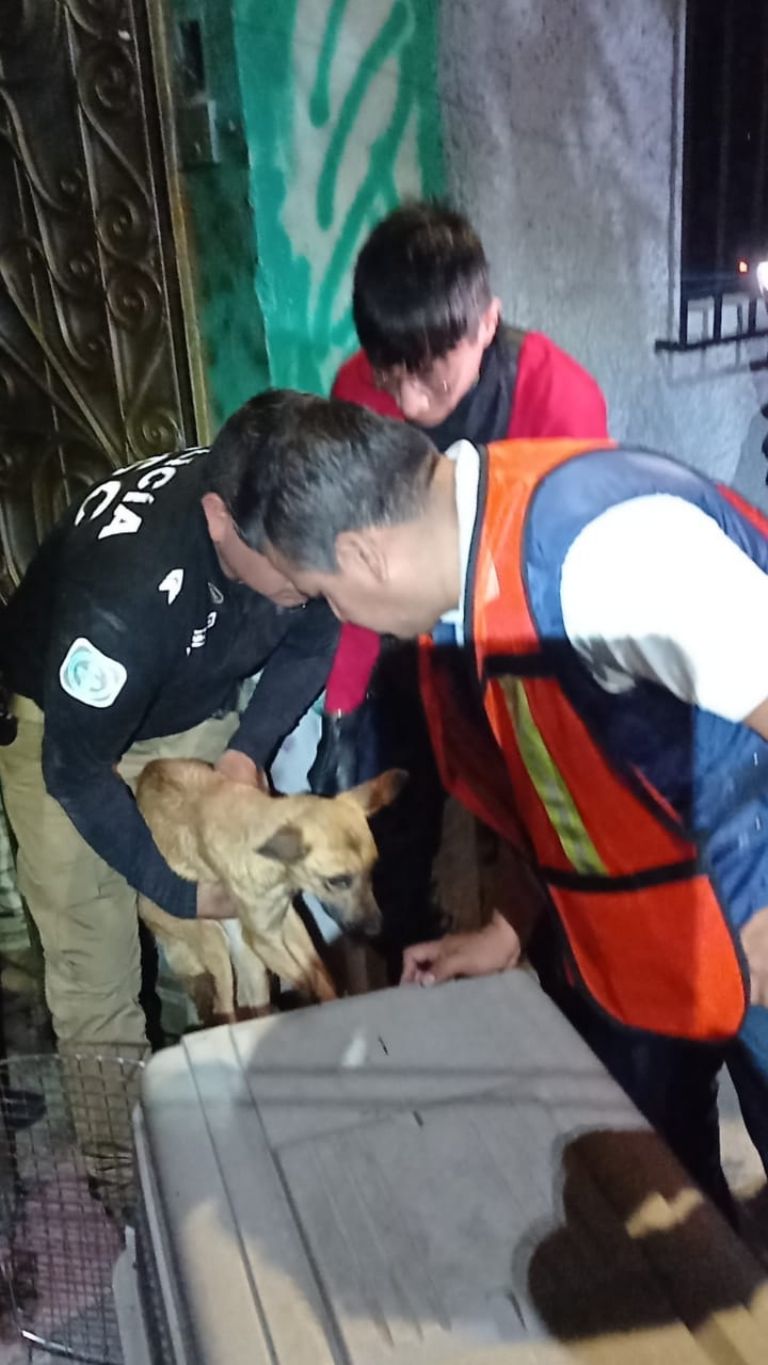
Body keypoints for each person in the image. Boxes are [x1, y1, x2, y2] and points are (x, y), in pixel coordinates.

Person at [243, 387, 768, 1222]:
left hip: (748, 935)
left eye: (327, 593)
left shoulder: (599, 552)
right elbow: (558, 785)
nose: (343, 618)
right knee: (678, 1211)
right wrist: (509, 927)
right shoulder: (465, 599)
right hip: (644, 962)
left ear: (364, 554)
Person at [0, 401, 339, 1206]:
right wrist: (180, 887)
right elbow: (76, 773)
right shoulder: (126, 602)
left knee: (226, 938)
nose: (306, 588)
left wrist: (245, 753)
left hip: (190, 700)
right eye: (290, 573)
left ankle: (241, 1132)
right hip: (67, 725)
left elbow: (312, 634)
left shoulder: (293, 522)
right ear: (220, 522)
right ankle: (130, 1187)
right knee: (96, 962)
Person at [313, 202, 608, 964]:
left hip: (523, 651)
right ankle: (416, 969)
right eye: (389, 374)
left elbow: (568, 593)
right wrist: (339, 707)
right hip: (407, 645)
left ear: (486, 324)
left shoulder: (558, 399)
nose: (407, 403)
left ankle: (543, 960)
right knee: (391, 823)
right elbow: (353, 561)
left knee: (539, 825)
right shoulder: (359, 391)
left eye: (433, 377)